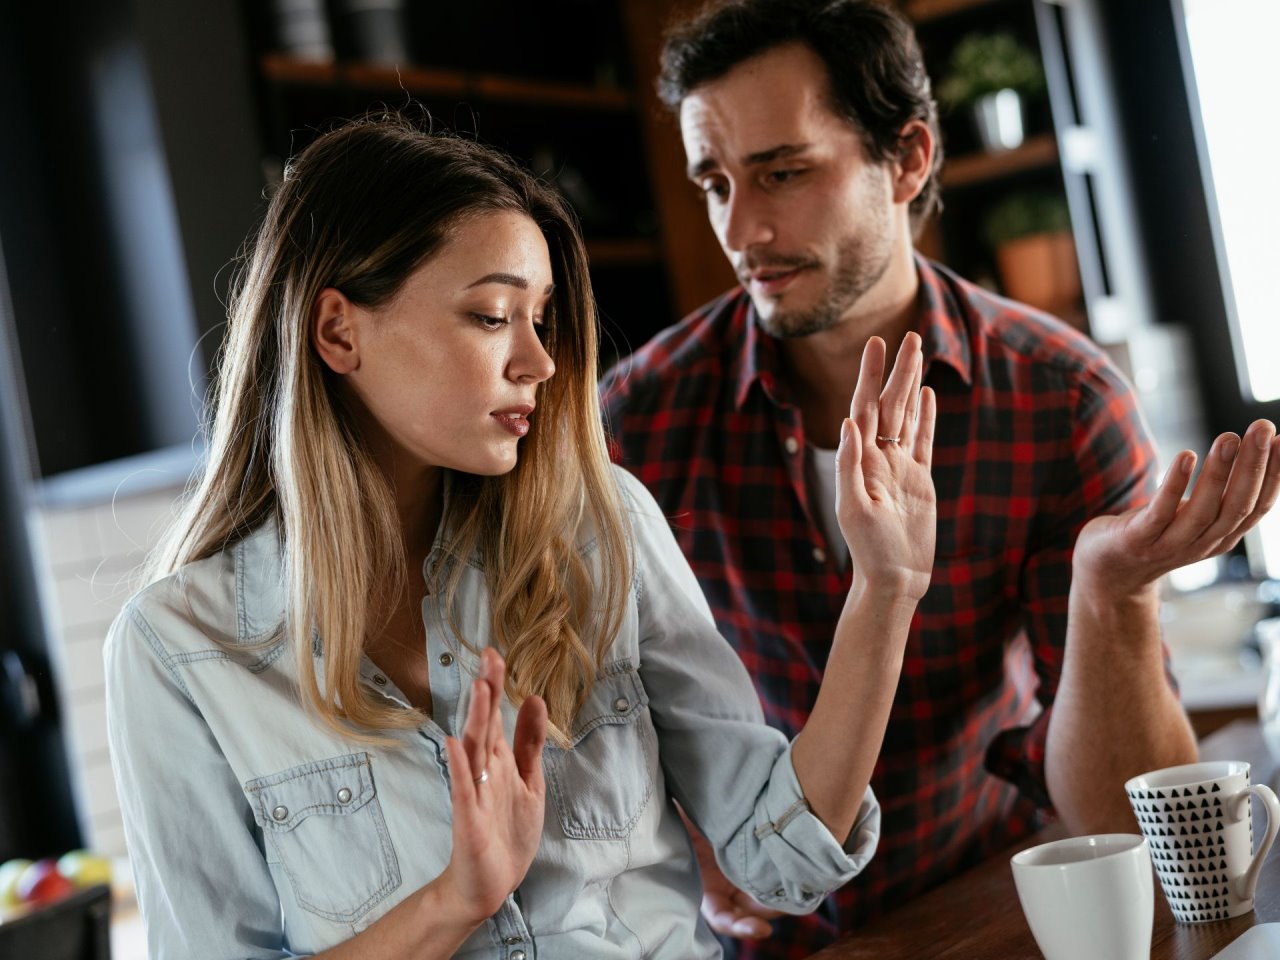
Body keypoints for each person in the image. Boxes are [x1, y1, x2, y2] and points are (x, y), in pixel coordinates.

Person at [104, 115, 947, 959]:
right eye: (491, 316)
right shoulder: (176, 650)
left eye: (541, 319)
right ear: (338, 331)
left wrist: (885, 589)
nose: (538, 362)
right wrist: (454, 902)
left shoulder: (602, 527)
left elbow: (776, 857)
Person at [598, 0, 1280, 953]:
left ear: (908, 158)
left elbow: (1130, 826)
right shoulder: (637, 419)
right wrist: (676, 833)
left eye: (783, 172)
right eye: (714, 182)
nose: (741, 228)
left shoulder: (1061, 399)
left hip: (981, 914)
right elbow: (589, 713)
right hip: (754, 935)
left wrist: (1110, 595)